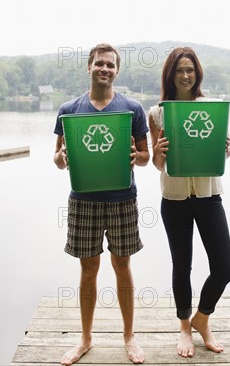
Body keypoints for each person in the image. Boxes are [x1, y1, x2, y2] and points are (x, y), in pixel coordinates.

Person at [53, 43, 150, 365]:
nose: (104, 69)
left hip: (123, 197)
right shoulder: (69, 110)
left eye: (110, 64)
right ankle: (85, 339)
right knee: (88, 268)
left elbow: (146, 156)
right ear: (89, 67)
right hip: (83, 199)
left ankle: (129, 337)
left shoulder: (132, 109)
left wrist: (138, 156)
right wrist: (62, 157)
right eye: (99, 63)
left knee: (122, 265)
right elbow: (57, 158)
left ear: (117, 70)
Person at [148, 46, 230, 358]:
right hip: (174, 198)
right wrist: (159, 149)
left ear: (197, 73)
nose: (185, 76)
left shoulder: (212, 108)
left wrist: (226, 148)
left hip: (209, 196)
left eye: (190, 70)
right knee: (182, 265)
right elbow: (158, 164)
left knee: (224, 268)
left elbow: (219, 154)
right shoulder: (157, 112)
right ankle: (185, 327)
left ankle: (202, 318)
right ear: (170, 75)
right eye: (179, 70)